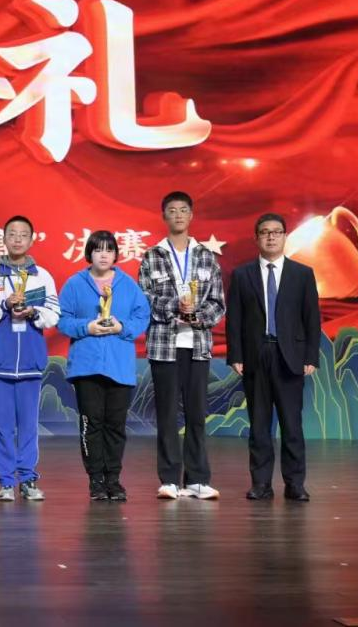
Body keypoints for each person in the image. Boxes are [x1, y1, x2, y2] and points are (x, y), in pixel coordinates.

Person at [137, 192, 226, 501]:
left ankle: (198, 479)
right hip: (164, 345)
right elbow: (143, 298)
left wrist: (197, 317)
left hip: (197, 345)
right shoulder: (152, 256)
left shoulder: (206, 256)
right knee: (166, 414)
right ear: (164, 216)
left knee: (197, 414)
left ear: (191, 216)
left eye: (183, 210)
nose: (178, 215)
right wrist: (175, 305)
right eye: (172, 210)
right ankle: (169, 479)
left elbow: (218, 303)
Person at [225, 213, 320, 502]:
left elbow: (311, 319)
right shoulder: (242, 275)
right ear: (256, 238)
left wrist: (311, 356)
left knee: (292, 425)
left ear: (285, 236)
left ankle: (295, 484)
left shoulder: (302, 274)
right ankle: (261, 484)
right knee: (259, 425)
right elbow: (234, 319)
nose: (271, 237)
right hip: (255, 355)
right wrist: (235, 355)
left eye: (276, 232)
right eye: (265, 232)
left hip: (289, 355)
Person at [57, 230, 150, 502]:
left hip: (120, 367)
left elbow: (142, 316)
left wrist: (122, 327)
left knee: (115, 425)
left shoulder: (128, 285)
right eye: (98, 249)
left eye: (109, 249)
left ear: (116, 254)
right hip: (86, 367)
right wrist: (86, 327)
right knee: (91, 424)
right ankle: (96, 479)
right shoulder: (75, 284)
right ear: (89, 253)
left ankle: (113, 479)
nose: (104, 254)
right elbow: (61, 319)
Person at [0, 215, 59, 501]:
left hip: (31, 362)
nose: (18, 239)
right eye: (12, 234)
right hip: (1, 363)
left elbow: (53, 315)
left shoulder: (42, 276)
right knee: (2, 426)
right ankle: (6, 481)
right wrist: (4, 304)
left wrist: (33, 312)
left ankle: (28, 479)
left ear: (32, 240)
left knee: (29, 426)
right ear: (4, 239)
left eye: (23, 234)